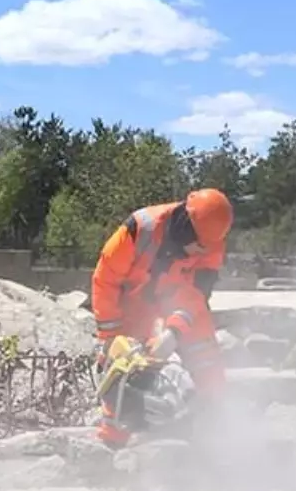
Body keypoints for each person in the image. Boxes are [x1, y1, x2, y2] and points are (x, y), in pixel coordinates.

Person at [90, 188, 233, 448]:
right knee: (125, 364)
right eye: (199, 245)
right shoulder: (140, 228)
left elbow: (198, 294)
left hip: (178, 305)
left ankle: (216, 430)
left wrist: (175, 331)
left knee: (206, 356)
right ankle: (113, 438)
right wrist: (109, 337)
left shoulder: (212, 241)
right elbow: (105, 279)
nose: (201, 251)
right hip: (133, 303)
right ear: (185, 227)